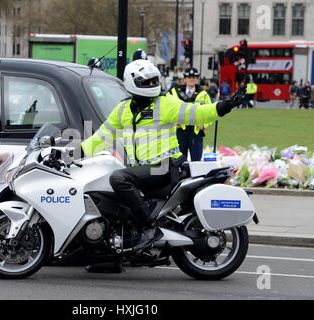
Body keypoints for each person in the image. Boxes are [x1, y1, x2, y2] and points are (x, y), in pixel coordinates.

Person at [81, 60, 245, 272]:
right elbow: (100, 137)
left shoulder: (164, 104)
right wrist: (72, 154)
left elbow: (198, 113)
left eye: (153, 81)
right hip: (144, 171)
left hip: (164, 168)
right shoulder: (122, 110)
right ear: (131, 82)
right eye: (146, 81)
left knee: (119, 178)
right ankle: (110, 255)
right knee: (108, 191)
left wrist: (226, 105)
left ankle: (149, 229)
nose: (151, 84)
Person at [167, 67, 212, 162]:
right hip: (180, 132)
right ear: (185, 79)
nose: (191, 79)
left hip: (195, 132)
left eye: (194, 77)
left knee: (196, 162)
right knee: (178, 162)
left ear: (197, 79)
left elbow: (210, 112)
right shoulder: (175, 92)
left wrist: (204, 125)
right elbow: (167, 109)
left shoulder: (203, 94)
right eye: (189, 77)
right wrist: (173, 123)